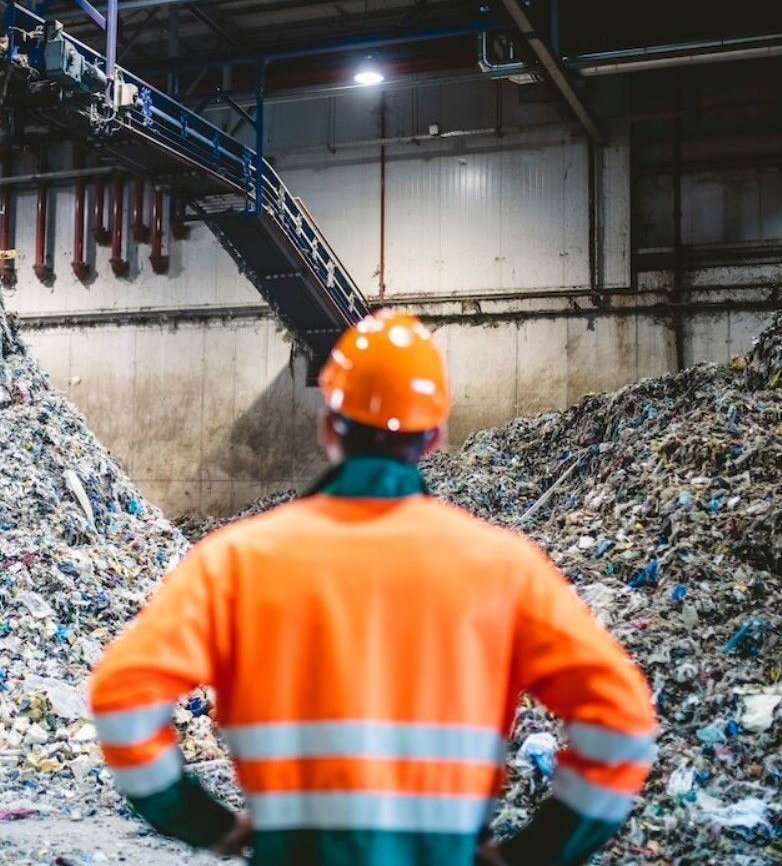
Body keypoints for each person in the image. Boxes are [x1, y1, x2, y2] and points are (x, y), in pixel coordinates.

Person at [88, 310, 657, 865]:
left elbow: (122, 699)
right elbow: (622, 724)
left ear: (328, 426)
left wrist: (204, 823)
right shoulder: (505, 567)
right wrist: (536, 852)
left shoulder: (237, 561)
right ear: (434, 437)